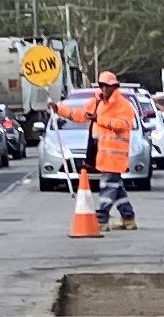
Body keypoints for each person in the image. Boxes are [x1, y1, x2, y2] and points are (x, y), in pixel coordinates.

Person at [49, 72, 140, 231]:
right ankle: (128, 218)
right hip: (102, 155)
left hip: (116, 156)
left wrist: (100, 119)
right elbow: (78, 115)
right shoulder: (96, 103)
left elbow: (123, 125)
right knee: (115, 187)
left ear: (114, 86)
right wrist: (58, 110)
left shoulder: (123, 105)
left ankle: (102, 219)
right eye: (102, 85)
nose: (104, 89)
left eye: (108, 86)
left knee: (107, 186)